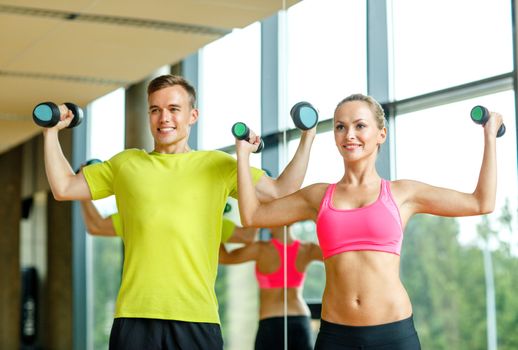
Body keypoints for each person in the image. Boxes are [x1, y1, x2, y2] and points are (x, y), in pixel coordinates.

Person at [41, 74, 316, 350]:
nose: (164, 118)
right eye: (155, 110)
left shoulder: (217, 165)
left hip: (197, 318)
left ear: (192, 115)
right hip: (135, 316)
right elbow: (63, 187)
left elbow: (282, 190)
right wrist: (50, 133)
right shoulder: (125, 164)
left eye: (173, 109)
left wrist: (308, 136)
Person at [235, 93, 503, 349]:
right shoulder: (318, 196)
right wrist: (243, 156)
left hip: (393, 334)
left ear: (381, 134)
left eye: (359, 125)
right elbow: (252, 216)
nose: (349, 134)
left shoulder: (402, 193)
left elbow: (481, 202)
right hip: (335, 336)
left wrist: (489, 137)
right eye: (340, 127)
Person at [219, 224, 322, 350]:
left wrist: (217, 226)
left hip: (271, 321)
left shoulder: (261, 249)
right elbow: (337, 255)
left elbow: (224, 257)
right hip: (300, 319)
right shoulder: (307, 249)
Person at [80, 198, 259, 243]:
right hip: (146, 306)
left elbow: (247, 236)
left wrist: (85, 193)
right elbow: (247, 235)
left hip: (190, 309)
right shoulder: (144, 216)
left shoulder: (209, 222)